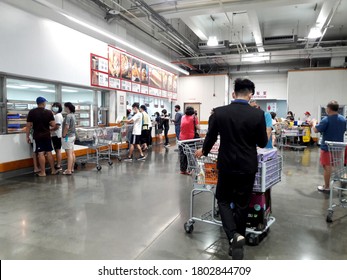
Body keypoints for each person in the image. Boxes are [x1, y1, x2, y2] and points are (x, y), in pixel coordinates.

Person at [195, 78, 268, 260]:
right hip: (247, 166)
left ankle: (233, 237)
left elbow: (210, 138)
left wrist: (203, 151)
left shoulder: (219, 113)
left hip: (226, 165)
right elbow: (262, 142)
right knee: (242, 204)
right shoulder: (257, 115)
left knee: (223, 200)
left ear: (233, 93)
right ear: (250, 94)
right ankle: (238, 240)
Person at [311, 101, 346, 193]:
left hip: (327, 148)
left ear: (329, 108)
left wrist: (314, 123)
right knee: (334, 165)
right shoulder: (343, 119)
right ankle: (334, 182)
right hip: (338, 148)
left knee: (327, 167)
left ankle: (326, 187)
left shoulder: (326, 120)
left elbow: (315, 130)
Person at [26, 96, 58, 177]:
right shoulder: (48, 112)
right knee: (49, 152)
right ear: (43, 103)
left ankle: (43, 172)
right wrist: (50, 127)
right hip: (47, 135)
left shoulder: (32, 112)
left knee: (40, 153)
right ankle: (53, 170)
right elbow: (53, 125)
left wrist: (27, 136)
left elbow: (28, 126)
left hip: (37, 136)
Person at [179, 106, 199, 175]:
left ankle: (183, 170)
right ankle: (191, 169)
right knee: (191, 154)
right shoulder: (194, 118)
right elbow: (198, 128)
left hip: (181, 138)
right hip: (190, 138)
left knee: (182, 154)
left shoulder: (182, 117)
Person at [62, 102, 76, 175]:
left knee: (69, 154)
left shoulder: (68, 116)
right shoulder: (73, 115)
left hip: (67, 137)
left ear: (67, 107)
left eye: (64, 107)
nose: (64, 108)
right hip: (72, 136)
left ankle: (69, 170)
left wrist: (64, 135)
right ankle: (72, 168)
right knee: (72, 153)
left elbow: (67, 127)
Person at [50, 102, 63, 171]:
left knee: (57, 150)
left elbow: (57, 126)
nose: (53, 107)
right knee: (57, 150)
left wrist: (50, 129)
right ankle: (58, 164)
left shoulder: (58, 115)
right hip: (56, 135)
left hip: (57, 135)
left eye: (55, 106)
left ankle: (58, 165)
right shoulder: (57, 115)